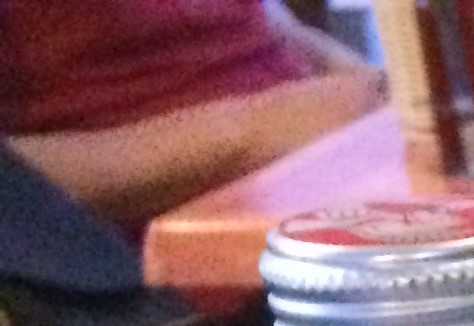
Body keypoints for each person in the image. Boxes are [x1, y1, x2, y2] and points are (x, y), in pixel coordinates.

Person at [0, 0, 382, 232]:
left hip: (325, 184)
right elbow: (11, 181)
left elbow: (269, 26)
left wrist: (377, 89)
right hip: (165, 285)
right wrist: (252, 130)